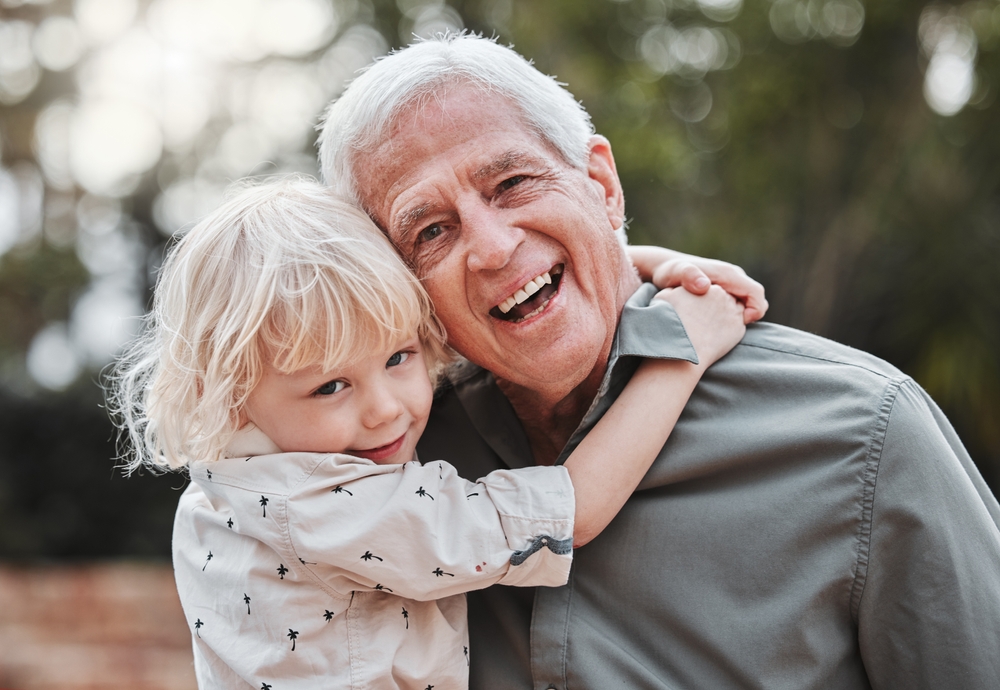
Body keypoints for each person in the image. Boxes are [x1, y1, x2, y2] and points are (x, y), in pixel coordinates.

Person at [317, 34, 1000, 688]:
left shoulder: (864, 435)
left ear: (603, 184)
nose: (492, 248)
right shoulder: (381, 464)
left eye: (513, 183)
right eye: (431, 231)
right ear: (396, 284)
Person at [109, 178, 749, 688]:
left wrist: (645, 265)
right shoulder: (318, 505)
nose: (386, 409)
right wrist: (681, 350)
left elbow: (476, 307)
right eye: (331, 387)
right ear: (230, 395)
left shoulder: (227, 488)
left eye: (398, 358)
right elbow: (567, 509)